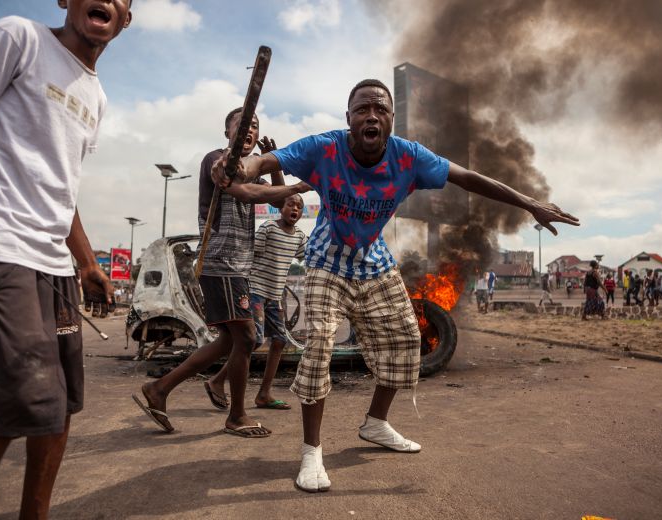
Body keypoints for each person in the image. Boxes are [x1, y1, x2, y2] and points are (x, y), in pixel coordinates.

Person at [214, 79, 578, 492]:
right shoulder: (324, 148)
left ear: (391, 118)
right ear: (348, 118)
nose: (371, 115)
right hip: (326, 259)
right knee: (319, 344)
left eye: (380, 109)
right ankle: (311, 452)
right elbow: (260, 165)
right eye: (362, 109)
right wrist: (234, 166)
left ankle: (375, 423)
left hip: (373, 260)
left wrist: (530, 203)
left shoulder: (410, 157)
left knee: (407, 340)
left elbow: (469, 178)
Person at [0, 2, 131, 518]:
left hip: (53, 264)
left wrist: (87, 262)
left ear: (125, 18)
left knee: (61, 402)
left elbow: (60, 186)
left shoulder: (96, 95)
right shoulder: (18, 37)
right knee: (23, 395)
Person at [132, 108, 310, 437]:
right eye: (241, 125)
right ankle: (237, 416)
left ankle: (161, 388)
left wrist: (275, 164)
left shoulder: (252, 165)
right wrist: (300, 186)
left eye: (254, 126)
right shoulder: (217, 161)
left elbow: (274, 201)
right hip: (222, 260)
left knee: (231, 339)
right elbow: (248, 193)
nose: (248, 130)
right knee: (246, 337)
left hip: (238, 265)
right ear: (227, 132)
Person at [205, 194, 308, 410]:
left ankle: (264, 394)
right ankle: (217, 380)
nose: (295, 209)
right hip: (256, 291)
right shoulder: (268, 227)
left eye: (299, 207)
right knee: (253, 341)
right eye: (290, 204)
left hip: (274, 295)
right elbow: (250, 254)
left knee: (279, 339)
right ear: (281, 207)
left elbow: (308, 255)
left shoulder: (299, 236)